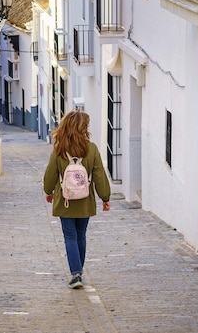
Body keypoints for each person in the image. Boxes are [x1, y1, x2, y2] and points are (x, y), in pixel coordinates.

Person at [43, 110, 111, 289]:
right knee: (81, 235)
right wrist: (105, 197)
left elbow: (50, 174)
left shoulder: (59, 149)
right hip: (85, 200)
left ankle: (76, 274)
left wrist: (48, 191)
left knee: (70, 236)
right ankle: (78, 271)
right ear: (83, 128)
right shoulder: (92, 148)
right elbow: (99, 175)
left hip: (65, 200)